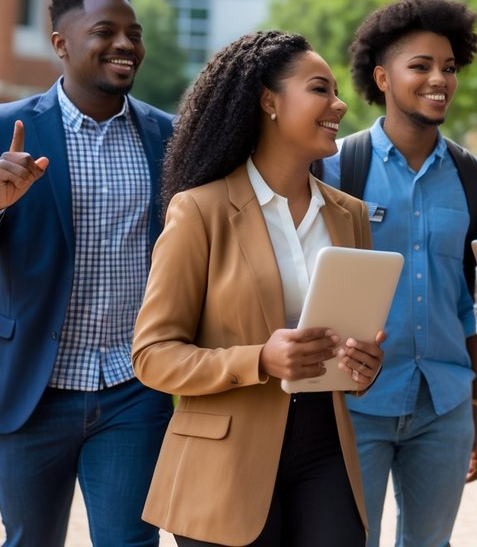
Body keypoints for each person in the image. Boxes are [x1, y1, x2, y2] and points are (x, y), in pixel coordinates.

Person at [0, 0, 174, 547]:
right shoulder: (2, 130)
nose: (125, 44)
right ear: (60, 43)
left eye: (133, 33)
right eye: (105, 31)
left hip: (133, 388)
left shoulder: (166, 136)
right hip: (32, 392)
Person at [132, 31, 384, 547]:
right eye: (320, 89)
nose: (339, 104)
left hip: (325, 449)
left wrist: (365, 365)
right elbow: (152, 355)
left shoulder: (350, 214)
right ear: (269, 101)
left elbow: (356, 338)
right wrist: (260, 360)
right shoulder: (199, 210)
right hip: (223, 460)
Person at [319, 0, 477, 547]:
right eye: (420, 66)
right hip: (356, 403)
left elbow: (469, 304)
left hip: (443, 404)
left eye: (448, 67)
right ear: (383, 77)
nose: (438, 78)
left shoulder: (476, 180)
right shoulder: (336, 167)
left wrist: (476, 411)